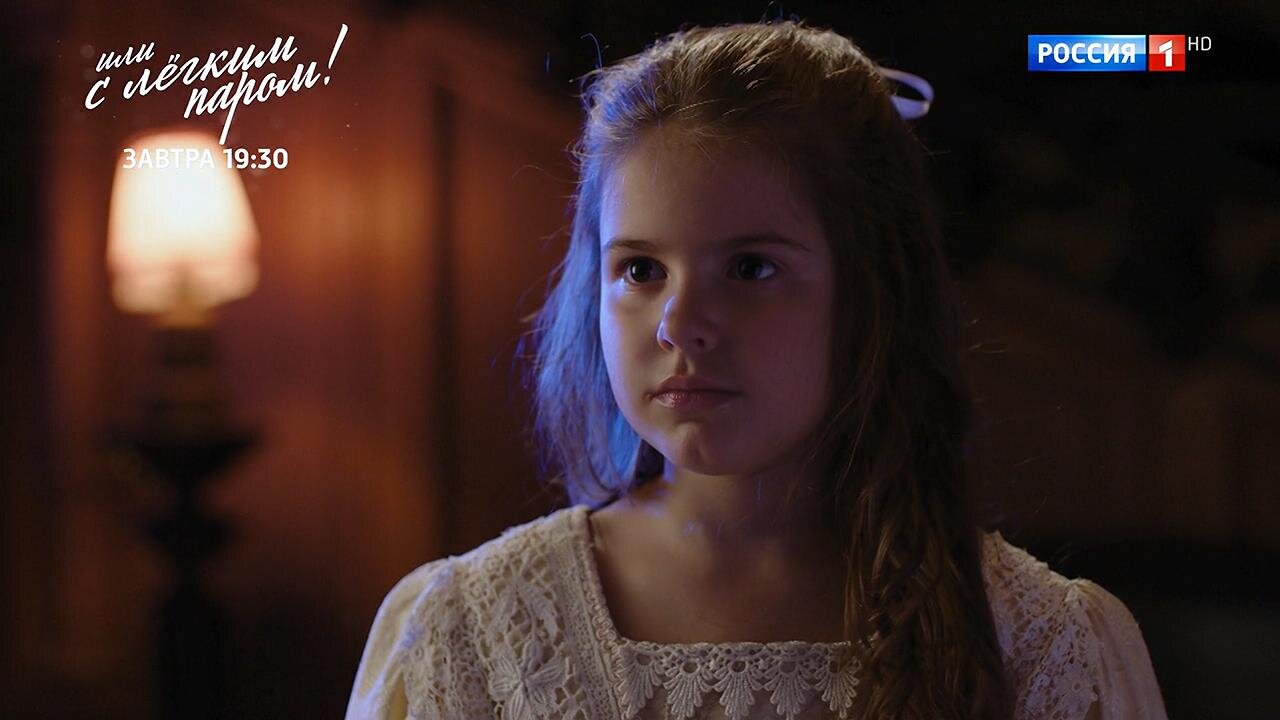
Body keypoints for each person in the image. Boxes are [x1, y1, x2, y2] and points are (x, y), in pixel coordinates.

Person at [345, 21, 1168, 720]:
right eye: (640, 270)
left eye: (750, 268)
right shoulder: (461, 633)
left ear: (872, 290)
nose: (679, 324)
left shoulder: (1043, 642)